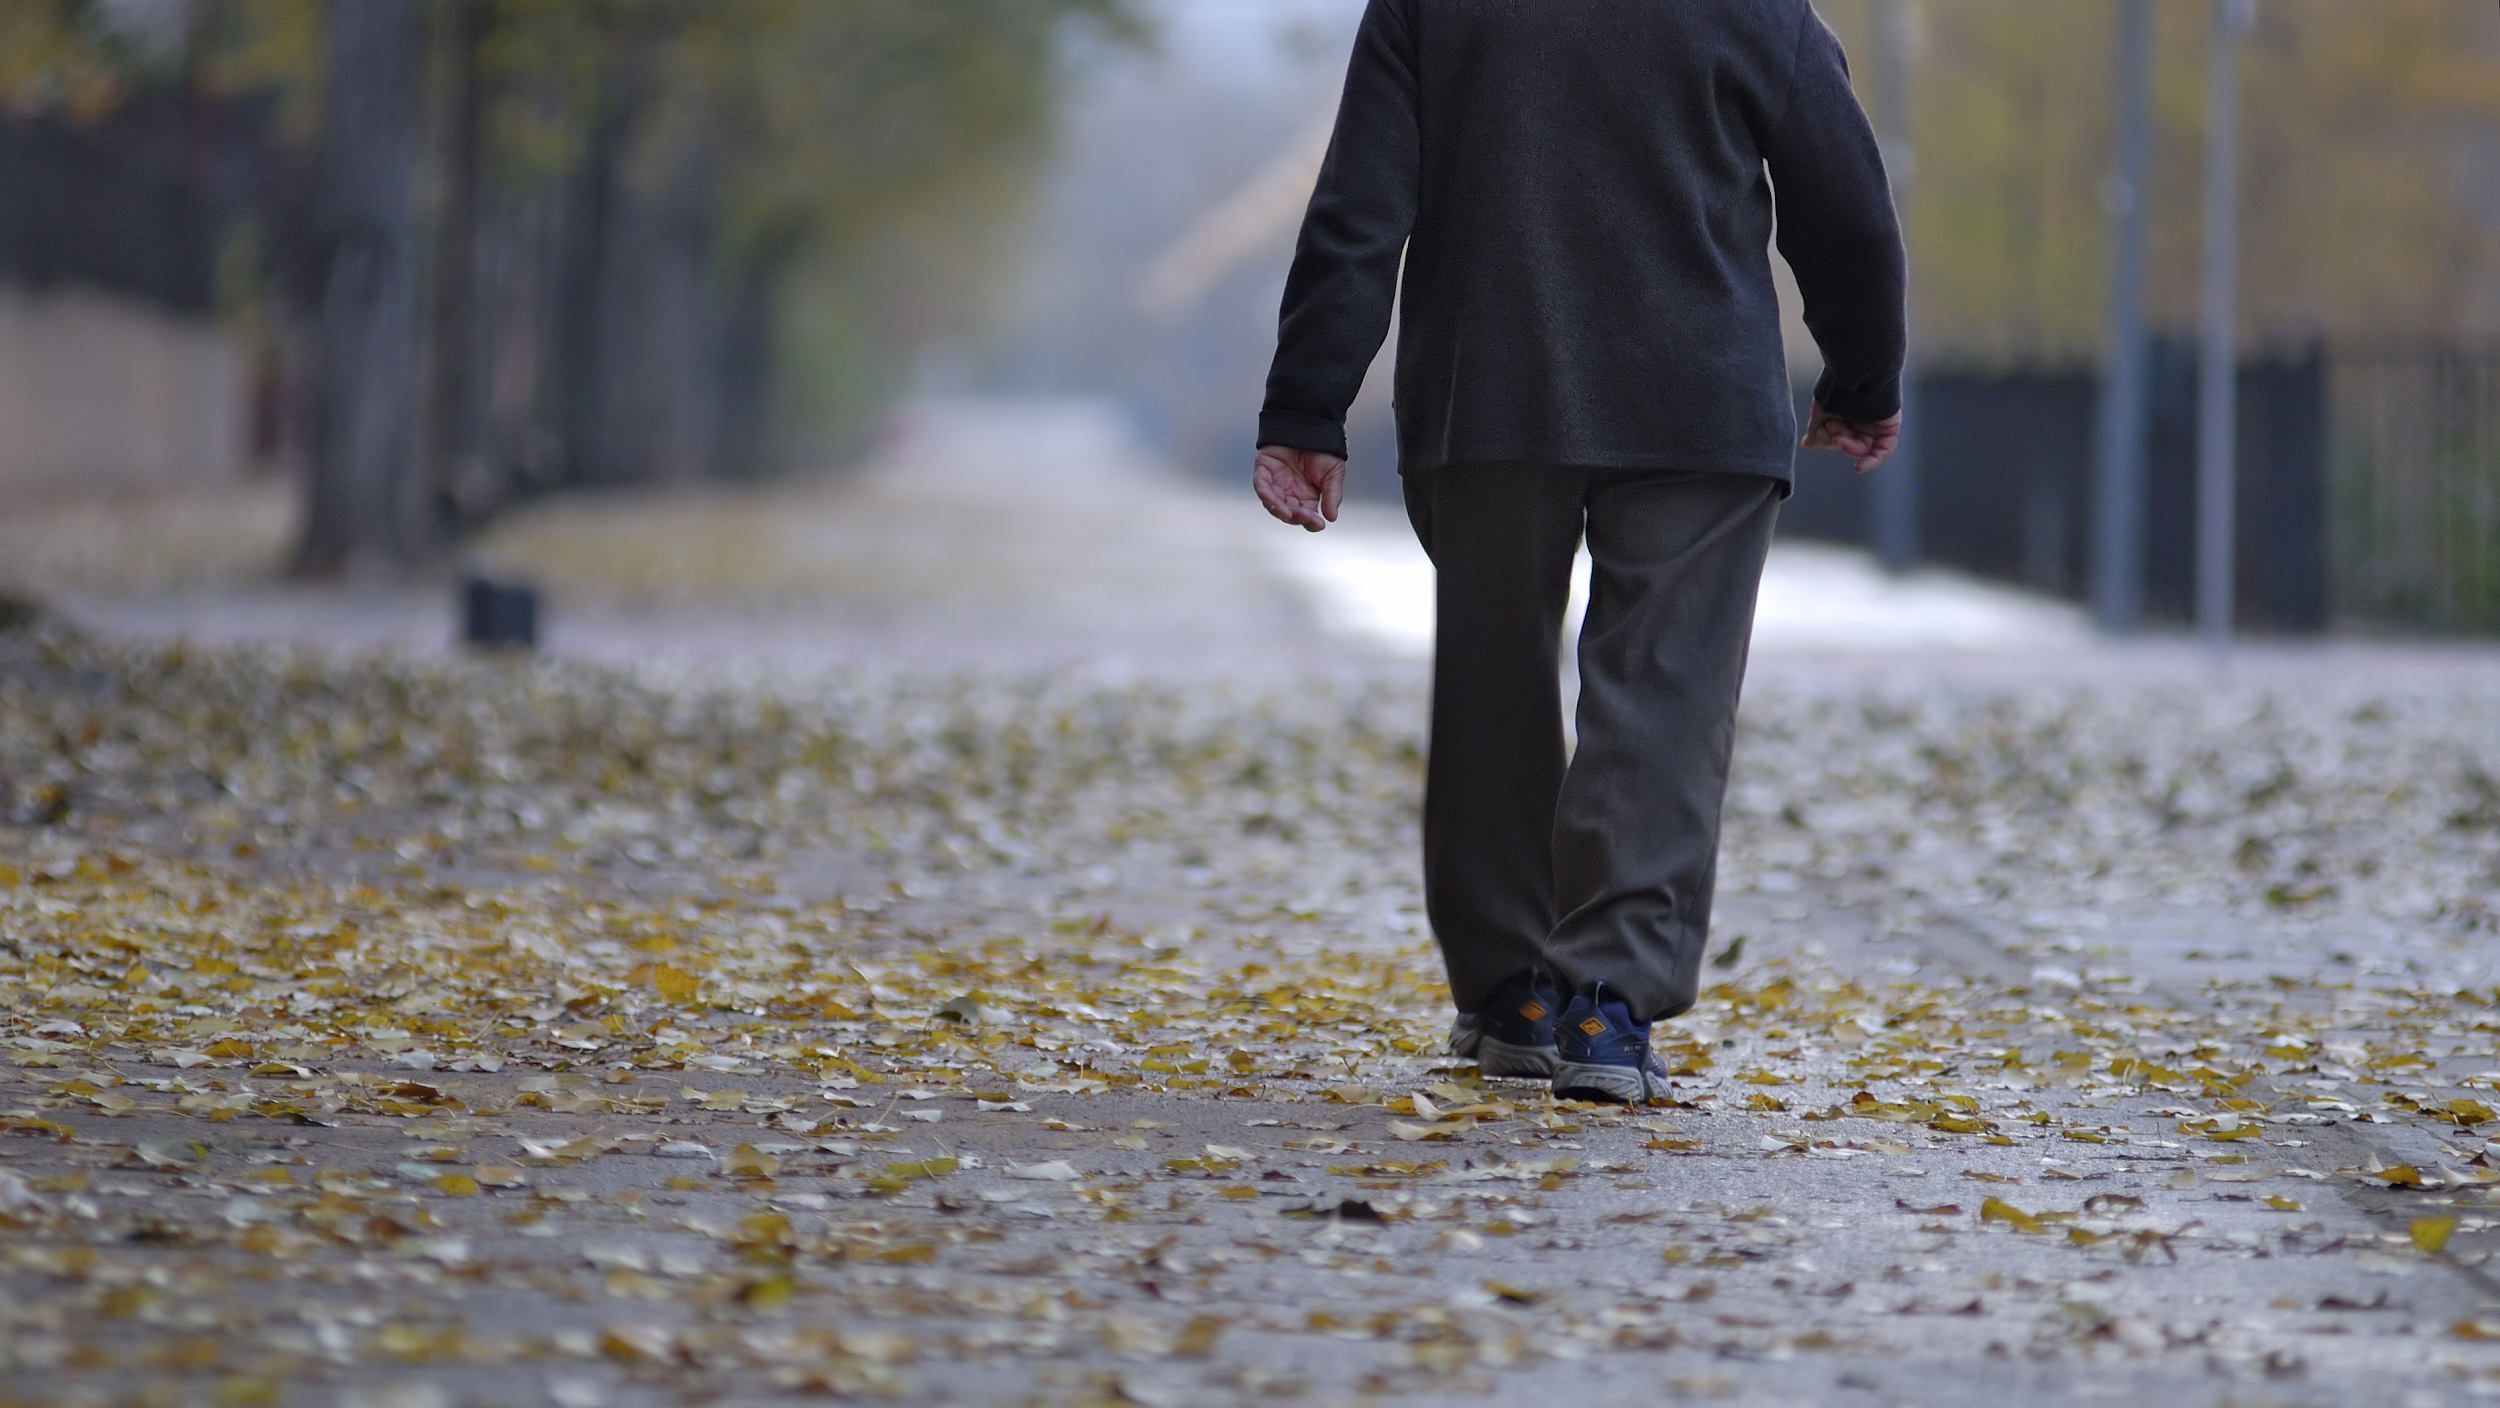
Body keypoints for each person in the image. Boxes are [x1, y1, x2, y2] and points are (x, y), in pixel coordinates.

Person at [1252, 0, 1905, 1103]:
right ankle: (1606, 1005)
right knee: (1661, 701)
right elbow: (1844, 201)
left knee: (1491, 687)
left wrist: (1309, 404)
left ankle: (1512, 992)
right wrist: (1861, 378)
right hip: (1698, 406)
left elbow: (1361, 205)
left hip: (1495, 392)